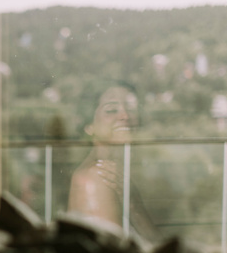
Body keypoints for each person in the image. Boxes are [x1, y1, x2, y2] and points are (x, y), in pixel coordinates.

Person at [67, 81, 161, 244]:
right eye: (111, 110)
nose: (125, 116)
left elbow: (157, 246)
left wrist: (132, 202)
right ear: (89, 125)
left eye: (132, 109)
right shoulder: (98, 178)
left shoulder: (118, 175)